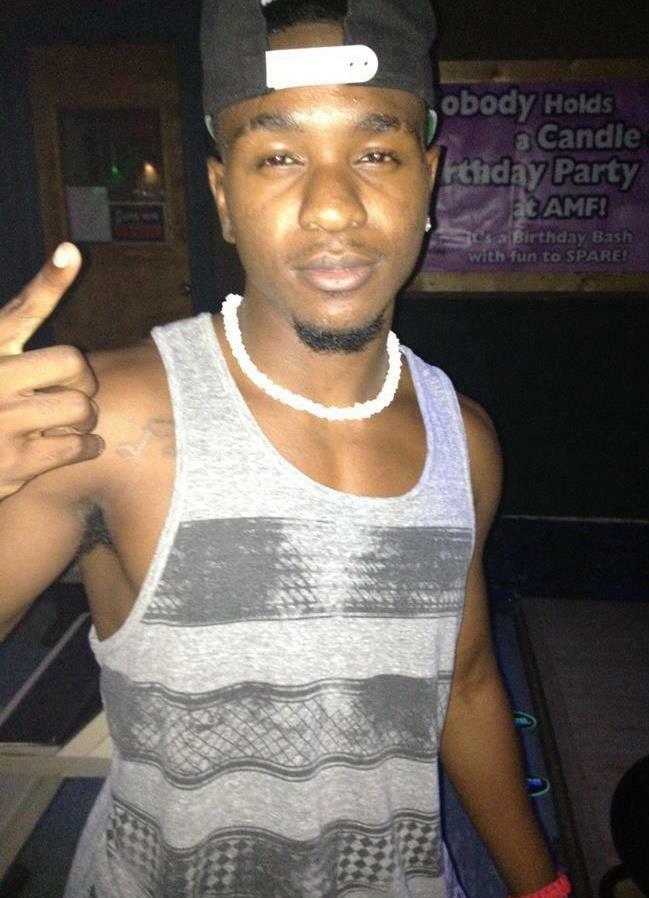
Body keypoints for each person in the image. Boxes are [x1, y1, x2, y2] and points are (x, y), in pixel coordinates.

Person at [0, 1, 569, 896]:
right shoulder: (105, 421)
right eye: (277, 157)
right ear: (223, 196)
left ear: (428, 182)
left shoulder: (464, 440)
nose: (332, 206)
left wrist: (543, 887)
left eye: (374, 153)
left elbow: (460, 686)